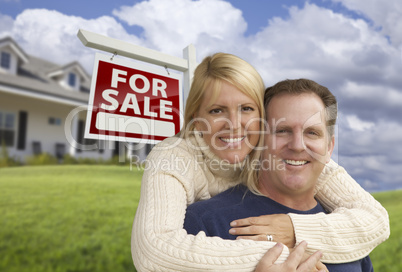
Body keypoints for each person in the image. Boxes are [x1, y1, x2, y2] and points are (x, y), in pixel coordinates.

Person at [131, 53, 390, 271]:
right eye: (216, 110)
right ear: (195, 117)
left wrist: (295, 229)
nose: (234, 125)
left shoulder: (294, 156)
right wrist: (283, 256)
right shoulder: (175, 157)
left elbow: (374, 219)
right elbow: (154, 249)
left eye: (246, 108)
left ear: (262, 116)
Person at [184, 79, 378, 271]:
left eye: (312, 133)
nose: (297, 145)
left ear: (329, 148)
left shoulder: (351, 234)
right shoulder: (204, 223)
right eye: (282, 131)